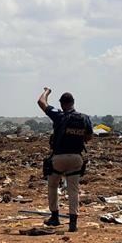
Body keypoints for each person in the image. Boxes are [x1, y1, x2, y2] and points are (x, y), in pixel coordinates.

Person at [37, 87, 93, 232]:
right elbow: (88, 137)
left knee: (53, 186)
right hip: (76, 158)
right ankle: (73, 223)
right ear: (73, 103)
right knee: (73, 190)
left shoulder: (59, 115)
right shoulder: (84, 118)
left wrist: (47, 91)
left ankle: (55, 217)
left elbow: (41, 102)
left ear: (62, 104)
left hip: (59, 157)